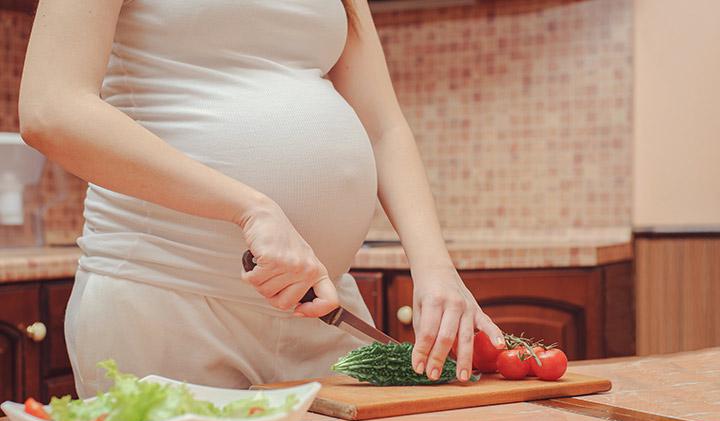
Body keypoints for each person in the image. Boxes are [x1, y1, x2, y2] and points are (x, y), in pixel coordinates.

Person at [19, 0, 504, 397]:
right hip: (166, 298)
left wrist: (435, 267)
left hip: (323, 307)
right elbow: (52, 110)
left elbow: (383, 125)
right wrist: (249, 206)